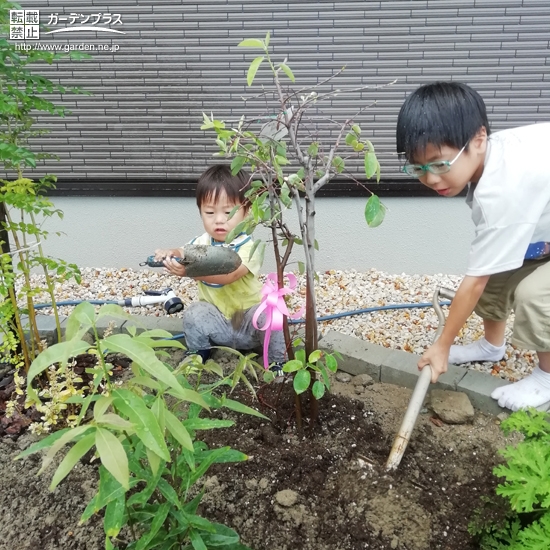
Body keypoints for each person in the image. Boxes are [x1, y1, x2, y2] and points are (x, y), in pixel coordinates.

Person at [396, 82, 550, 412]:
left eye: (439, 164)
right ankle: (492, 347)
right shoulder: (490, 157)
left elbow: (474, 280)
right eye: (419, 168)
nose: (431, 179)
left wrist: (442, 346)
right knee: (497, 271)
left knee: (536, 294)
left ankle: (546, 380)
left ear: (478, 139)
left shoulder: (504, 189)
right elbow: (487, 270)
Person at [154, 164, 286, 369]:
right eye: (209, 212)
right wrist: (170, 253)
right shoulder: (202, 242)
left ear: (247, 212)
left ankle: (277, 361)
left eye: (228, 212)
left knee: (272, 315)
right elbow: (184, 251)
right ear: (200, 212)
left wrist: (190, 272)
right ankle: (199, 351)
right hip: (217, 323)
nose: (219, 220)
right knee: (194, 312)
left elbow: (230, 274)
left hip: (247, 322)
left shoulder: (249, 247)